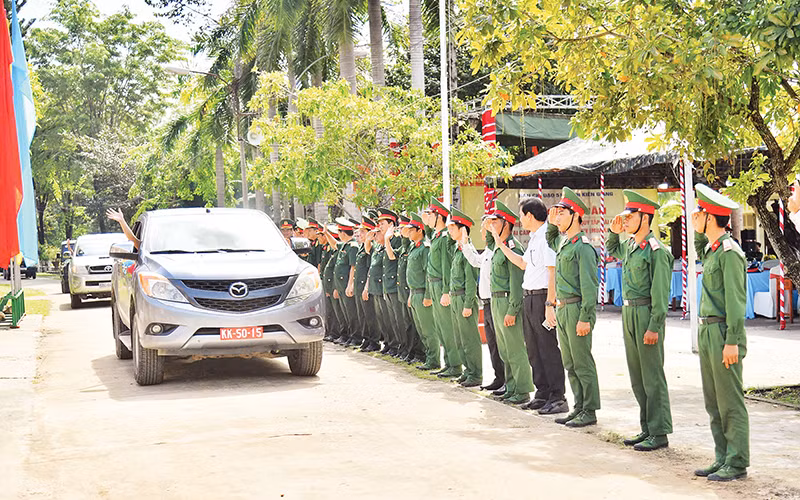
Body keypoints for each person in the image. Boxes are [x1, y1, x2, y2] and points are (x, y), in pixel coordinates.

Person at [691, 184, 750, 482]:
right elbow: (700, 246)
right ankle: (722, 456)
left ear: (710, 217)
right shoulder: (712, 250)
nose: (694, 216)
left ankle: (736, 461)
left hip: (723, 332)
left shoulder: (729, 253)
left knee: (729, 401)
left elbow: (736, 302)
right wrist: (698, 231)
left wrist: (733, 341)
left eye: (699, 212)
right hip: (707, 330)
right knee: (713, 401)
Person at [607, 190, 674, 451]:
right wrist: (613, 232)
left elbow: (660, 293)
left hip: (646, 313)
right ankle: (647, 427)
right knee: (637, 376)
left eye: (630, 217)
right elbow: (612, 249)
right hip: (629, 313)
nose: (625, 221)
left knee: (652, 376)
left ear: (645, 218)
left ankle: (659, 432)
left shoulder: (656, 251)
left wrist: (654, 325)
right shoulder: (632, 246)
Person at [494, 197, 567, 414]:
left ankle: (558, 397)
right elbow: (522, 263)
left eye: (521, 215)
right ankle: (542, 393)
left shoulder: (546, 236)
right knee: (534, 349)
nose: (520, 219)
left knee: (548, 348)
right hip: (529, 298)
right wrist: (500, 244)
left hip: (542, 298)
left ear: (530, 215)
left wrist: (550, 304)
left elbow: (553, 272)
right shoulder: (535, 237)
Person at [546, 187, 600, 428]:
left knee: (582, 362)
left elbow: (589, 287)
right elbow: (550, 239)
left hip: (577, 309)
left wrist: (585, 317)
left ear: (575, 215)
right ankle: (578, 407)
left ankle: (589, 409)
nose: (558, 218)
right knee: (569, 362)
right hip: (563, 308)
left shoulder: (583, 247)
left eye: (562, 213)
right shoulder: (565, 243)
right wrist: (551, 224)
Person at [486, 201, 534, 405]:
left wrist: (513, 310)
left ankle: (522, 389)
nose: (491, 225)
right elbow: (489, 241)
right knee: (505, 349)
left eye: (496, 222)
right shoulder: (499, 247)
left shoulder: (513, 248)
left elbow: (516, 282)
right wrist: (489, 231)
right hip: (496, 300)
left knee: (514, 348)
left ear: (506, 224)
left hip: (507, 300)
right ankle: (511, 386)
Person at [460, 215, 506, 391]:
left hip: (496, 302)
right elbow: (475, 261)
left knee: (501, 345)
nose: (481, 231)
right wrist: (465, 244)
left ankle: (507, 381)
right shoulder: (488, 251)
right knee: (493, 345)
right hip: (486, 303)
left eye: (484, 228)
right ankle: (499, 378)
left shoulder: (497, 249)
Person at [425, 198, 463, 379]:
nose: (428, 217)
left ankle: (455, 365)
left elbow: (446, 266)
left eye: (431, 214)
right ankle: (448, 363)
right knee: (440, 327)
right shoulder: (436, 236)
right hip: (433, 283)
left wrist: (446, 291)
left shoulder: (444, 238)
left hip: (441, 283)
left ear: (439, 216)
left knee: (447, 328)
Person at [446, 208, 483, 387]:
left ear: (462, 230)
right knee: (460, 339)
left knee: (469, 339)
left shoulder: (468, 251)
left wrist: (468, 303)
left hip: (464, 299)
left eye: (452, 228)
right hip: (455, 298)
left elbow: (470, 281)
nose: (449, 232)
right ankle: (467, 371)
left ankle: (475, 374)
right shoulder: (458, 250)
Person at [406, 213, 442, 370]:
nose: (408, 233)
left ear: (419, 230)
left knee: (428, 329)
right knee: (421, 329)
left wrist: (428, 296)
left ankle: (433, 360)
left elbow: (428, 273)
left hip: (422, 293)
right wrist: (410, 294)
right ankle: (428, 358)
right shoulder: (414, 247)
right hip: (414, 293)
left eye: (411, 230)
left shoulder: (424, 249)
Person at [380, 208, 405, 358]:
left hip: (395, 285)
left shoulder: (395, 239)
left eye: (382, 223)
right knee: (391, 320)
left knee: (399, 319)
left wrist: (387, 240)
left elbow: (392, 257)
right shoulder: (386, 239)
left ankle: (402, 348)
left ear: (391, 224)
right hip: (387, 285)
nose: (380, 227)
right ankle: (395, 346)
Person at [332, 217, 360, 347]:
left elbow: (353, 267)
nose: (338, 235)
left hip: (347, 284)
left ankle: (356, 337)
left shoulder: (353, 246)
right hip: (341, 285)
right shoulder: (345, 245)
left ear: (343, 233)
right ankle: (348, 335)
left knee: (351, 312)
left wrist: (350, 284)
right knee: (345, 312)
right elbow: (334, 244)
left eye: (339, 232)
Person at [355, 217, 381, 352]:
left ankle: (374, 341)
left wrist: (366, 287)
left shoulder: (372, 247)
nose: (360, 234)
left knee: (370, 315)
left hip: (367, 285)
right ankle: (366, 339)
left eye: (363, 232)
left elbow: (370, 269)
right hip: (360, 285)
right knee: (363, 315)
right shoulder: (363, 247)